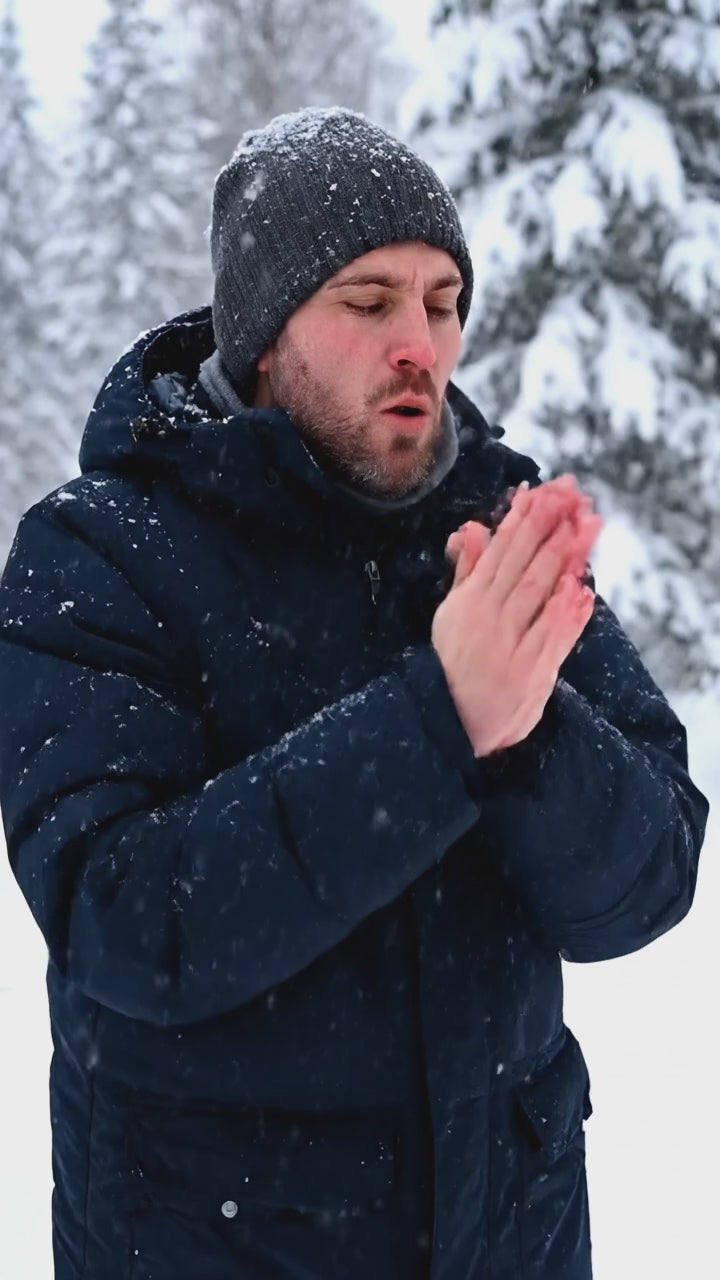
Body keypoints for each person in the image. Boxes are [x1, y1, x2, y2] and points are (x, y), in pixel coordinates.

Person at [0, 107, 707, 1280]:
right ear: (263, 334)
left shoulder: (496, 529)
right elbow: (121, 914)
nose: (419, 342)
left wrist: (525, 728)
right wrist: (441, 719)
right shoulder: (100, 551)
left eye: (442, 302)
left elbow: (648, 881)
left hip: (512, 1236)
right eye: (369, 302)